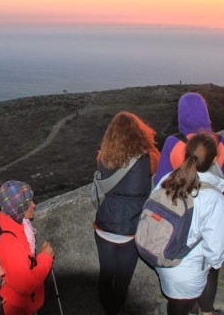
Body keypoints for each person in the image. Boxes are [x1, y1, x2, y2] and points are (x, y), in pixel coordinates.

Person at [154, 92, 224, 315]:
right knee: (210, 265)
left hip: (178, 215)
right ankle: (207, 311)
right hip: (208, 212)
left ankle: (189, 304)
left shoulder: (173, 143)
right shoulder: (220, 143)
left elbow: (159, 184)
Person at [93, 111, 161, 315]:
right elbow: (157, 159)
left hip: (104, 226)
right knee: (123, 281)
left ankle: (109, 310)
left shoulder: (102, 157)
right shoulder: (149, 159)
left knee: (105, 278)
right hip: (132, 229)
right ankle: (116, 309)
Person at [0, 180, 54, 315]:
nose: (34, 205)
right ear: (18, 207)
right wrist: (46, 257)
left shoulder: (4, 220)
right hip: (17, 308)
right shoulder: (10, 244)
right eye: (28, 203)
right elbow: (25, 285)